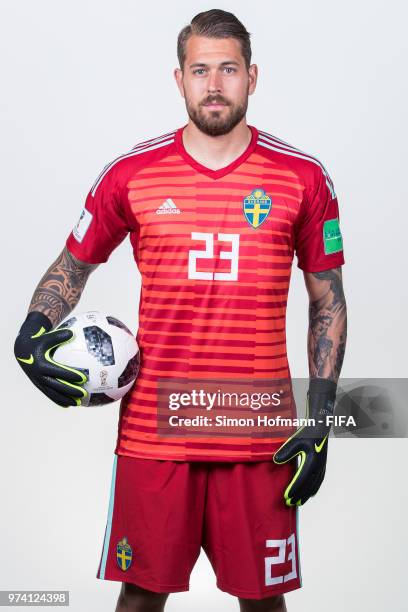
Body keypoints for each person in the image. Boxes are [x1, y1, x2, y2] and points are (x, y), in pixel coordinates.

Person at [14, 9, 347, 612]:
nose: (214, 84)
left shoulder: (303, 178)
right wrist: (30, 334)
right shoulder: (130, 174)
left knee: (263, 602)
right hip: (155, 433)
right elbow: (73, 264)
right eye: (200, 70)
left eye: (228, 69)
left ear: (253, 77)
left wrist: (321, 419)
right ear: (179, 79)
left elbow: (327, 300)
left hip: (258, 430)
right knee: (140, 597)